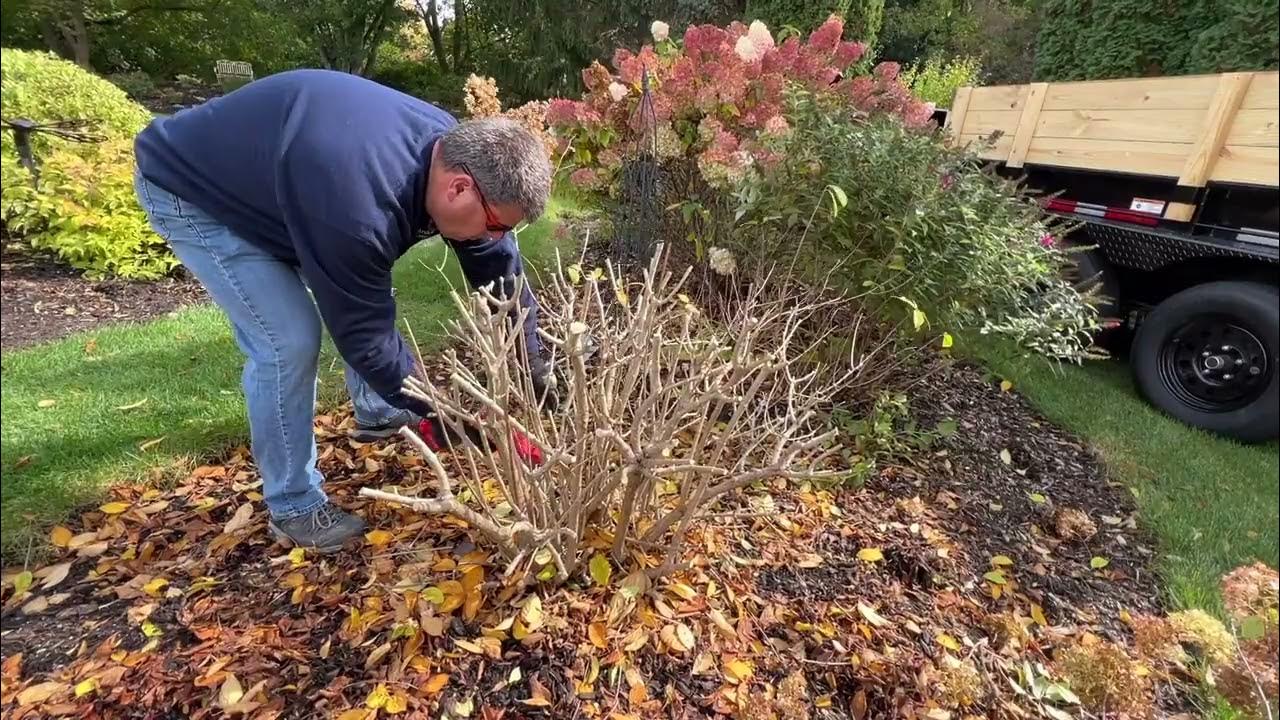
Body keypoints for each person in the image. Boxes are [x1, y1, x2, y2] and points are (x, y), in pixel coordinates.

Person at [132, 69, 554, 553]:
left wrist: (531, 358)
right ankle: (293, 505)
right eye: (497, 224)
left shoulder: (451, 149)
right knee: (287, 341)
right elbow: (363, 331)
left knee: (357, 278)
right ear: (458, 189)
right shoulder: (357, 206)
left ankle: (376, 411)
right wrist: (442, 415)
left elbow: (496, 265)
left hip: (292, 185)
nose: (497, 238)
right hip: (198, 190)